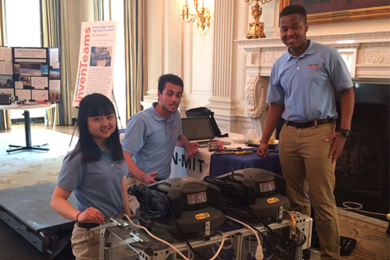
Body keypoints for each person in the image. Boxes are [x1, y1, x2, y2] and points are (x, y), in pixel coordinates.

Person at [256, 5, 354, 260]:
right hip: (288, 134)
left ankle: (330, 255)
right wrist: (265, 139)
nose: (290, 33)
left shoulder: (327, 55)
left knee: (322, 200)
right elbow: (276, 104)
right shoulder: (280, 64)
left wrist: (343, 131)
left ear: (306, 27)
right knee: (296, 200)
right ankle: (302, 251)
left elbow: (347, 91)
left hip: (320, 134)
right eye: (284, 28)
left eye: (295, 26)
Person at [50, 93, 131, 259]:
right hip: (91, 235)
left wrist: (129, 222)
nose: (105, 123)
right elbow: (56, 200)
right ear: (84, 122)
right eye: (97, 119)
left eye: (109, 117)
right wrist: (79, 215)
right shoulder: (78, 158)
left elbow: (122, 188)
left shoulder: (117, 151)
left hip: (116, 229)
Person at [122, 74, 199, 212]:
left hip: (162, 183)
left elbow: (177, 136)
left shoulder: (175, 115)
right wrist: (143, 177)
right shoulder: (141, 120)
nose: (174, 99)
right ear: (159, 94)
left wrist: (187, 144)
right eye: (169, 94)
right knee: (144, 225)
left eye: (178, 95)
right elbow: (124, 156)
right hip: (138, 183)